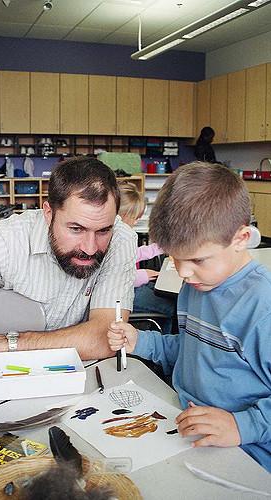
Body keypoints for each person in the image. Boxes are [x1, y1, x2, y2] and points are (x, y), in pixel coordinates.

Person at [108, 162, 271, 472]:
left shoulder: (262, 306)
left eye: (196, 259)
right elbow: (192, 350)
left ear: (241, 238)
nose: (182, 272)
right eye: (175, 258)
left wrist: (241, 425)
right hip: (183, 424)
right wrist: (141, 341)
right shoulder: (198, 282)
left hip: (247, 452)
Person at [0, 157, 137, 365]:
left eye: (103, 231)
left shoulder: (122, 238)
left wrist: (6, 343)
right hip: (4, 373)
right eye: (76, 229)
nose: (90, 248)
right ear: (49, 213)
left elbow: (104, 339)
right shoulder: (8, 238)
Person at [118, 181, 176, 333]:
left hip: (132, 289)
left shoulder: (122, 236)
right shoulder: (117, 239)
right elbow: (117, 277)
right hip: (126, 296)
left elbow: (134, 254)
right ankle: (164, 345)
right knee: (172, 307)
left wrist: (158, 248)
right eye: (135, 218)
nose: (137, 221)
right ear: (122, 216)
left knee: (165, 295)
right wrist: (144, 275)